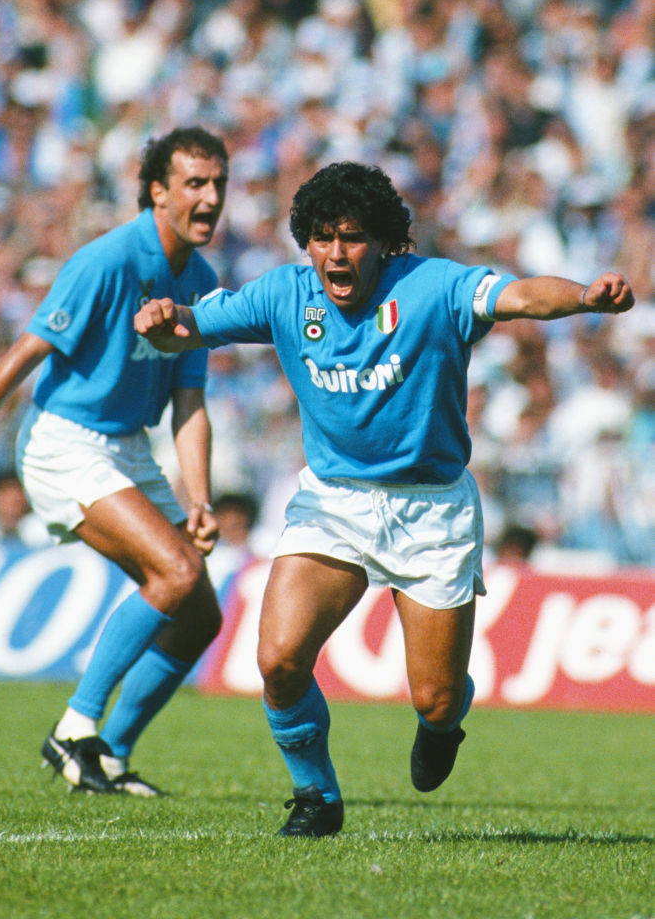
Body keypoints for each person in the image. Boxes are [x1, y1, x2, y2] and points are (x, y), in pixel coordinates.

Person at [135, 160, 635, 836]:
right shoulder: (284, 294)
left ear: (383, 243)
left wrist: (585, 296)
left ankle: (444, 722)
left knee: (434, 699)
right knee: (278, 659)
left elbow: (519, 296)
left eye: (352, 237)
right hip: (333, 503)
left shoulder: (433, 286)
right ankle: (316, 796)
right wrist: (163, 319)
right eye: (322, 237)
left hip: (431, 510)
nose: (336, 253)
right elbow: (189, 326)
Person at [0, 126, 229, 795]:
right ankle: (74, 728)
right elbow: (22, 356)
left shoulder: (200, 280)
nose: (210, 198)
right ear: (158, 191)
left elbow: (189, 400)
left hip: (128, 448)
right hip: (64, 442)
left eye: (218, 184)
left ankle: (108, 756)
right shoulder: (107, 260)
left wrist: (198, 497)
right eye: (195, 183)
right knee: (174, 573)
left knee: (201, 613)